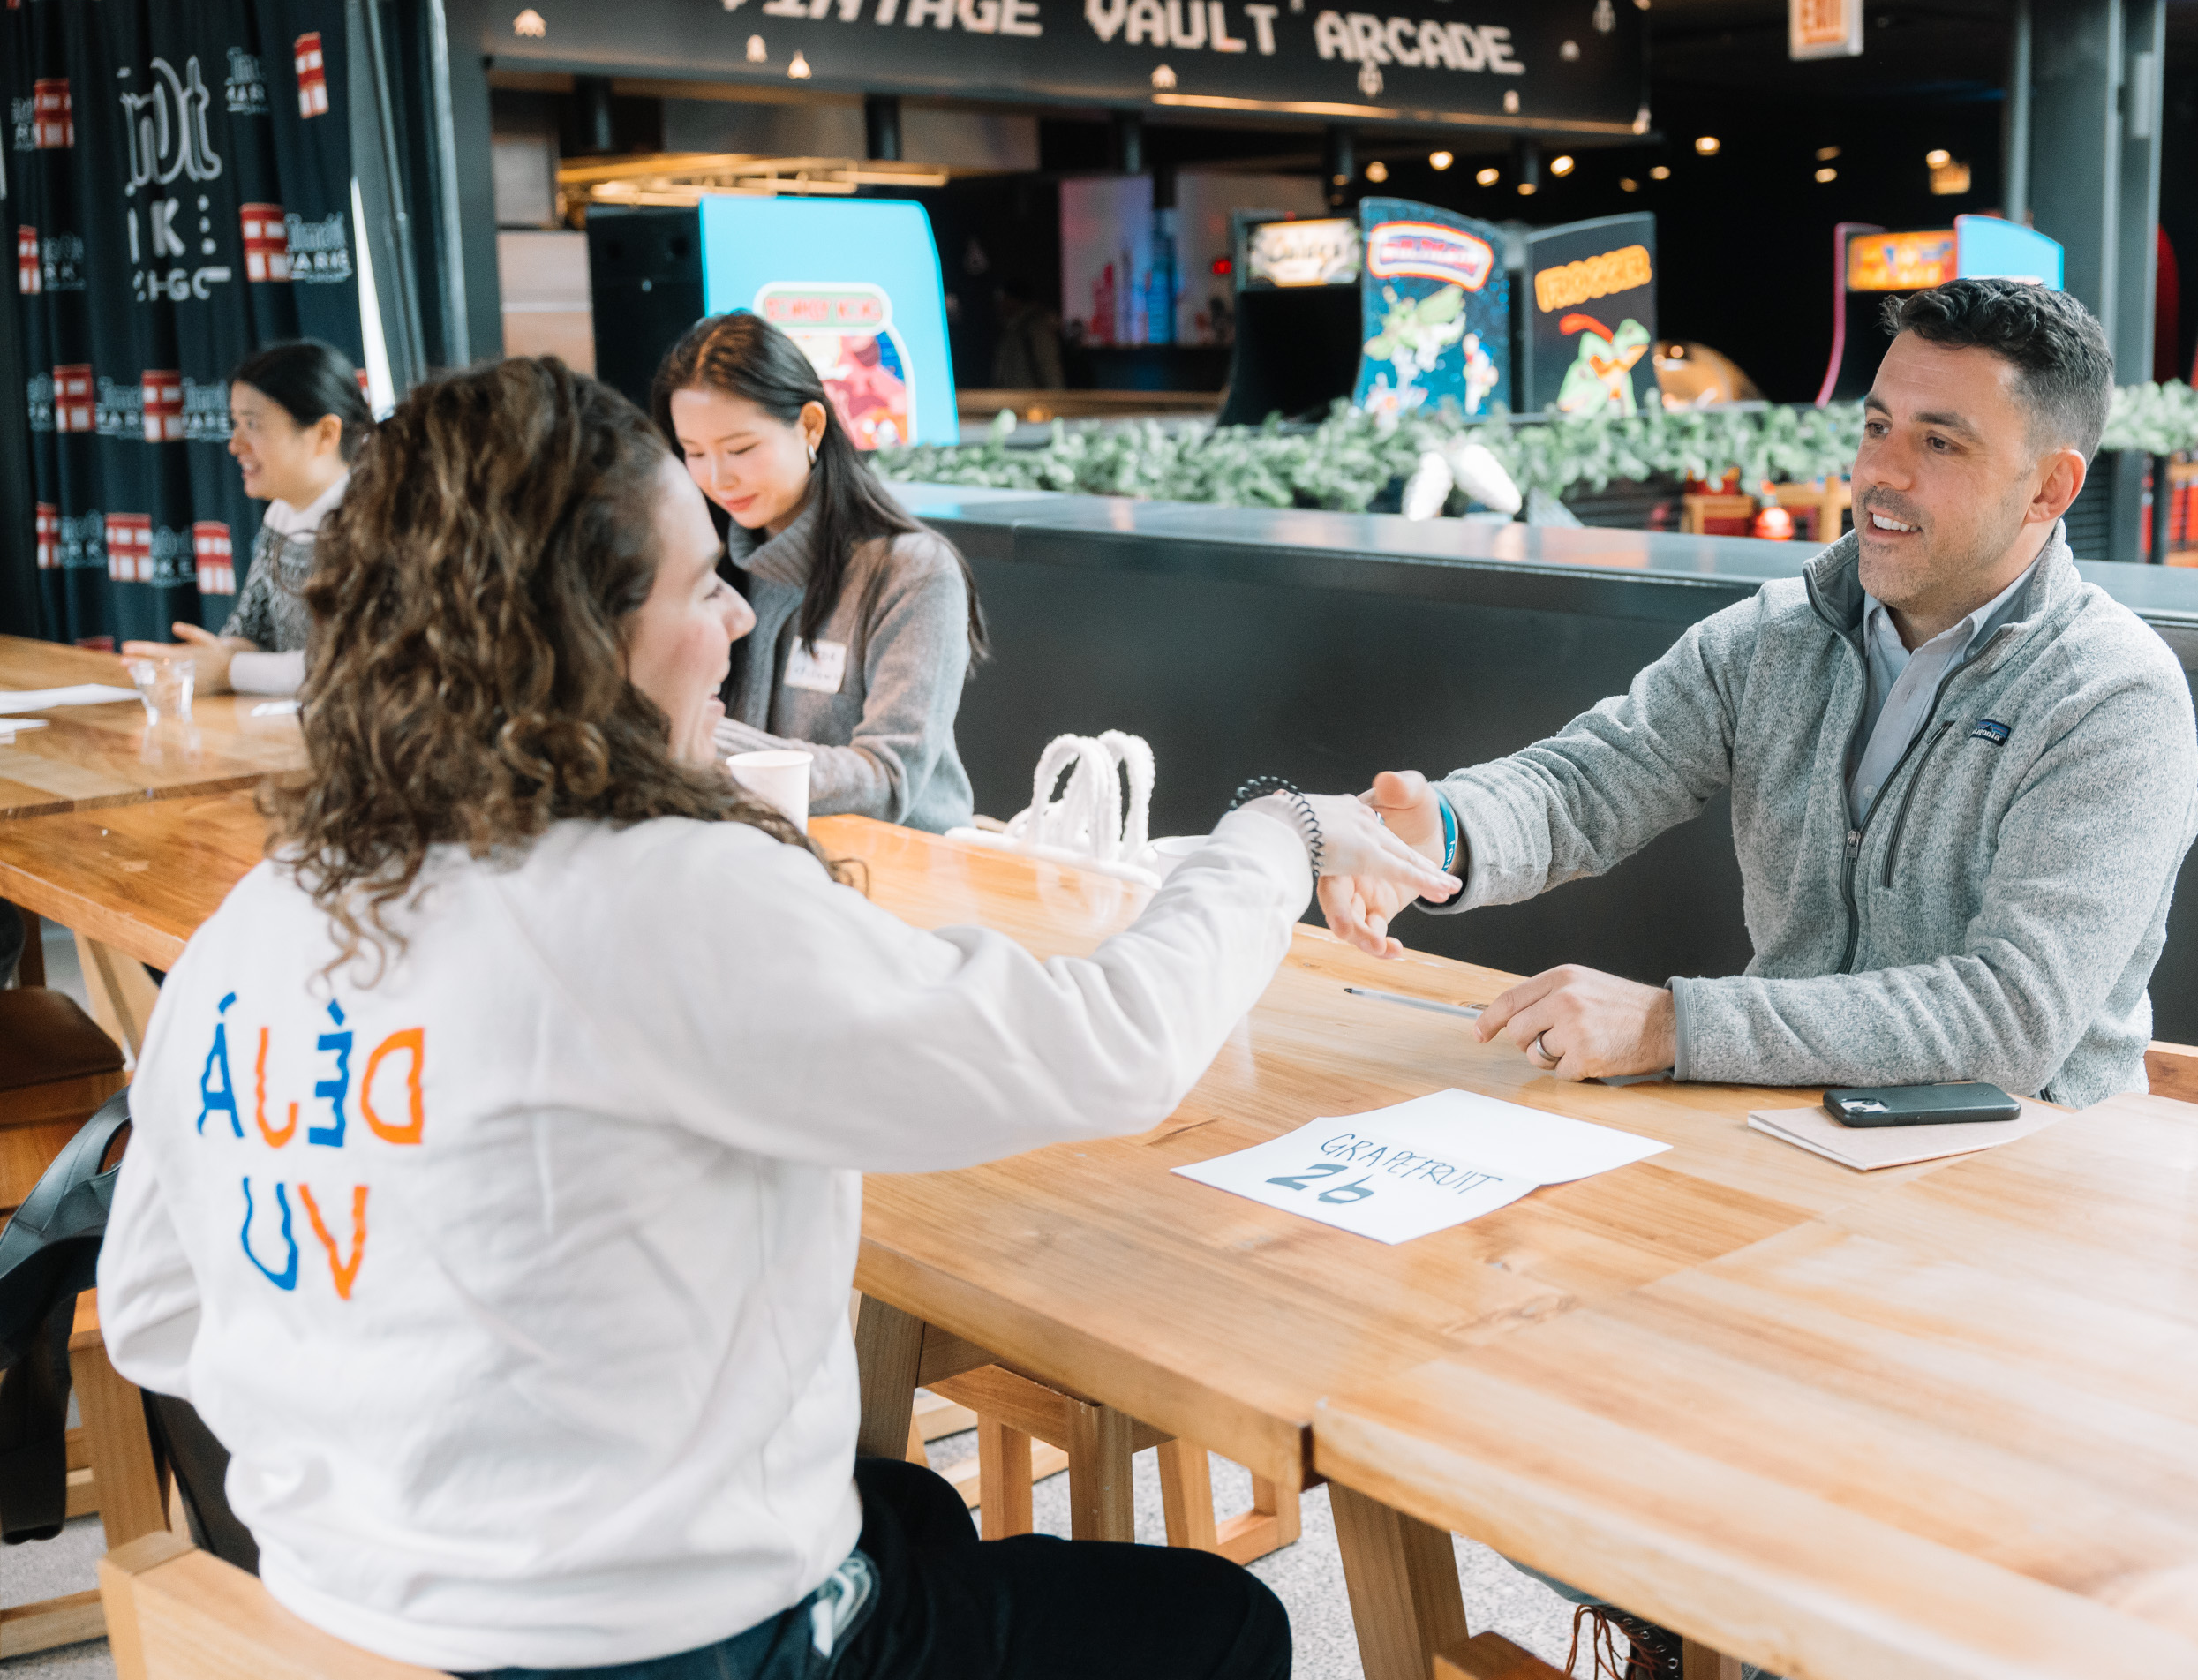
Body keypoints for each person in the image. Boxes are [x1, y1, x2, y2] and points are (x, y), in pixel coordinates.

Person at [93, 355, 1455, 1679]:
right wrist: (1276, 837)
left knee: (905, 1509)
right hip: (662, 1647)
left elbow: (153, 1315)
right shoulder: (661, 890)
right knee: (1219, 1624)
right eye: (700, 587)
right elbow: (1116, 1045)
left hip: (323, 1615)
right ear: (580, 638)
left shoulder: (262, 914)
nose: (738, 622)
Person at [1336, 276, 2198, 1106]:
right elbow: (1586, 784)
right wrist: (1444, 833)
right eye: (1877, 426)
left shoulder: (2114, 697)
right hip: (1788, 1125)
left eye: (1939, 443)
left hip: (2026, 1162)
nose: (1882, 472)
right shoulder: (1775, 636)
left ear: (2050, 488)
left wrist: (1675, 1026)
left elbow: (2009, 1019)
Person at [652, 313, 982, 832]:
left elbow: (887, 780)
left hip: (903, 863)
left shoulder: (912, 572)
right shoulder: (709, 568)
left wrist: (702, 735)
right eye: (694, 453)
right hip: (763, 854)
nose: (718, 477)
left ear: (810, 425)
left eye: (741, 449)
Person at [121, 340, 372, 696]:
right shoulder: (282, 513)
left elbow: (351, 664)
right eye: (236, 423)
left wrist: (228, 669)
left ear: (325, 434)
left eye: (253, 424)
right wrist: (203, 659)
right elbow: (253, 631)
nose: (235, 444)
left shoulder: (375, 521)